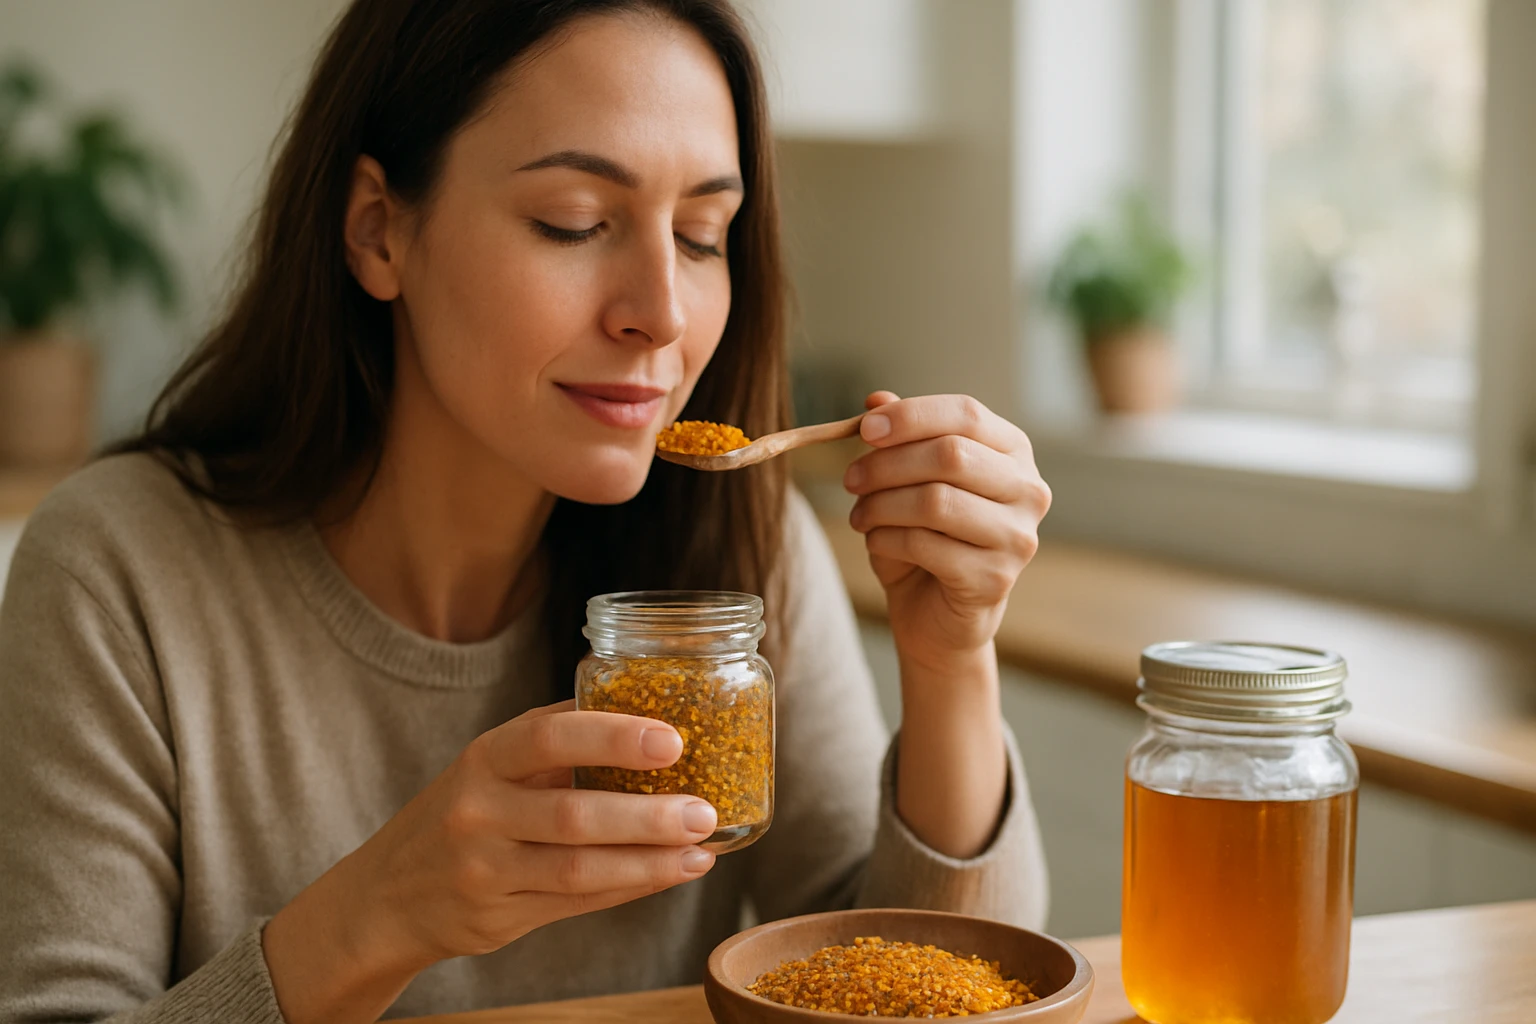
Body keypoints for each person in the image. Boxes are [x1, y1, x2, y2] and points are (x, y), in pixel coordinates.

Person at [0, 1, 1053, 1021]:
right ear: (378, 233)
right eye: (576, 222)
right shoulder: (118, 569)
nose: (663, 314)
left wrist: (952, 657)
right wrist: (384, 911)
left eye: (700, 235)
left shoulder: (740, 549)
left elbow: (913, 977)